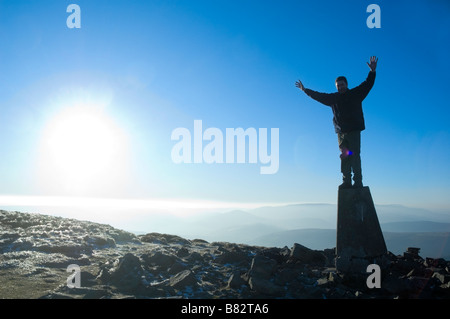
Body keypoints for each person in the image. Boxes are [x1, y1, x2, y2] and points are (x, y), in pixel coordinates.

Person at [295, 56, 378, 189]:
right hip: (341, 133)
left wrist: (372, 72)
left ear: (346, 84)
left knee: (355, 156)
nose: (340, 87)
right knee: (345, 155)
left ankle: (357, 182)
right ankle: (346, 181)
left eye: (342, 85)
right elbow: (319, 96)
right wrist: (305, 90)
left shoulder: (356, 94)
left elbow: (368, 84)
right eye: (338, 85)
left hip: (353, 131)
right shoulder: (333, 98)